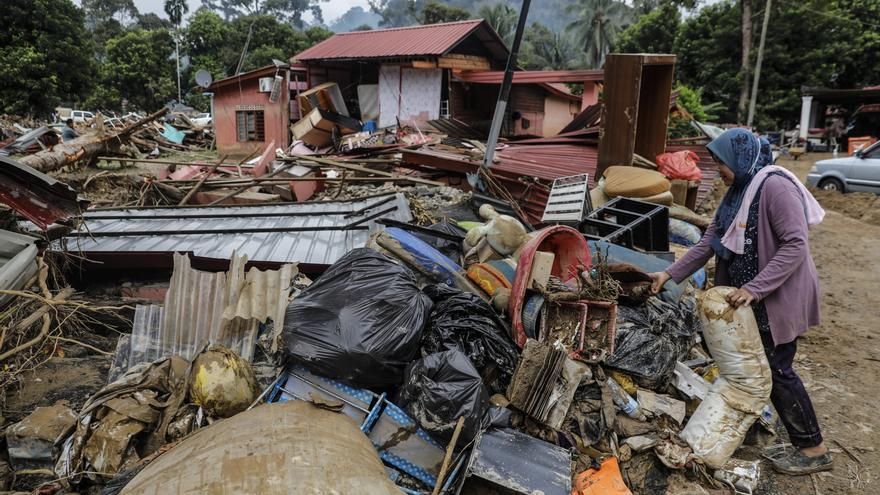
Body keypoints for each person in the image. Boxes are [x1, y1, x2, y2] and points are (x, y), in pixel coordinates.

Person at [649, 128, 832, 475]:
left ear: (741, 157)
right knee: (755, 368)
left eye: (721, 162)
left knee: (777, 369)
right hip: (752, 298)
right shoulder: (739, 190)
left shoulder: (775, 186)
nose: (718, 169)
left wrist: (755, 288)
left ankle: (814, 449)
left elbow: (795, 244)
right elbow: (709, 241)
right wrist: (668, 274)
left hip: (776, 295)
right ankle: (766, 432)